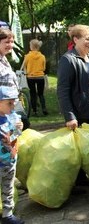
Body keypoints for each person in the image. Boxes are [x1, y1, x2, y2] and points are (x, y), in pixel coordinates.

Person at [57, 24, 89, 130]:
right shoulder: (68, 59)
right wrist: (70, 117)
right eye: (87, 39)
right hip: (80, 115)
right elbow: (63, 90)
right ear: (76, 39)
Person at [0, 86, 24, 224]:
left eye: (13, 102)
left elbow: (13, 138)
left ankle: (7, 215)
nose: (13, 105)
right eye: (9, 103)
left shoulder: (12, 117)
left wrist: (18, 129)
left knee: (8, 189)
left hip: (9, 161)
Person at [0, 28, 29, 130]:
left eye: (12, 42)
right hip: (3, 110)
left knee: (22, 127)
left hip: (12, 106)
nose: (10, 45)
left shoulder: (3, 58)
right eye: (7, 42)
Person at [22, 39, 48, 116]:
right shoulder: (42, 56)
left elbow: (24, 66)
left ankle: (34, 111)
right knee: (41, 94)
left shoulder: (27, 56)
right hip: (40, 76)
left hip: (30, 77)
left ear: (31, 47)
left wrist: (26, 72)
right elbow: (44, 68)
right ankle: (44, 108)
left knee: (33, 94)